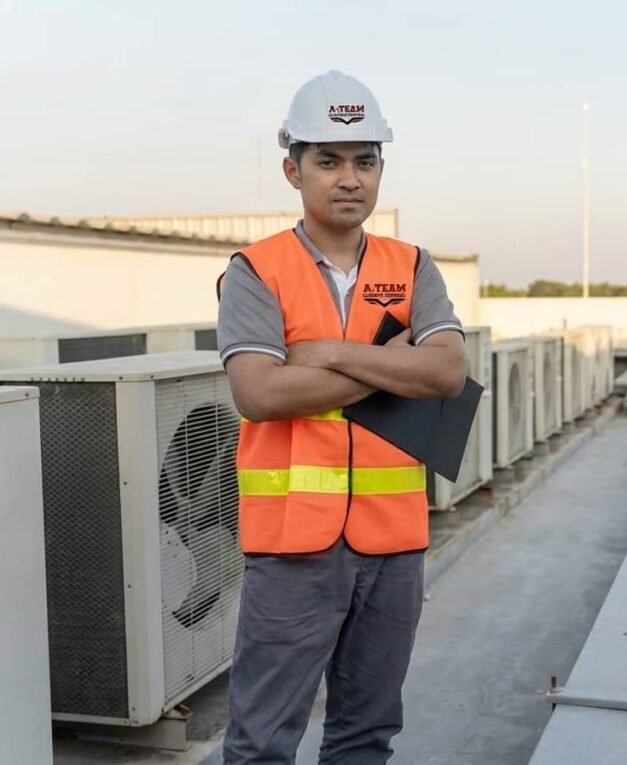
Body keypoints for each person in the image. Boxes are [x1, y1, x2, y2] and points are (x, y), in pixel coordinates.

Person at [218, 70, 467, 764]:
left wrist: (329, 354)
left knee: (366, 735)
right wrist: (394, 365)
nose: (349, 178)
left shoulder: (412, 265)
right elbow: (260, 393)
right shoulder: (256, 271)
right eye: (328, 160)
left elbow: (447, 371)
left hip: (393, 546)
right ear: (292, 168)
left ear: (381, 167)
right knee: (264, 740)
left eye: (365, 160)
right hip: (292, 548)